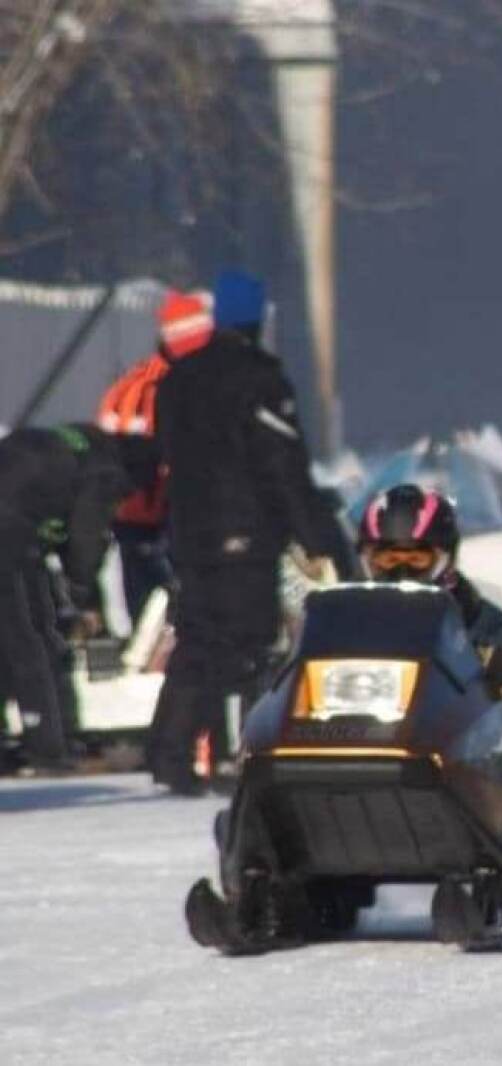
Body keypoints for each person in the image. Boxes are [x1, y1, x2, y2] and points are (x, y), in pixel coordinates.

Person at [147, 269, 336, 795]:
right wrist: (315, 536)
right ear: (255, 320)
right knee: (247, 644)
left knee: (197, 639)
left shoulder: (178, 378)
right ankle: (243, 757)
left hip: (188, 532)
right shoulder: (261, 378)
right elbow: (281, 464)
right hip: (245, 532)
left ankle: (171, 754)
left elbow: (165, 453)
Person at [357, 484, 502, 793]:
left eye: (416, 559)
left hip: (462, 766)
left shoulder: (485, 624)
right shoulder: (352, 616)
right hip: (361, 746)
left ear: (444, 559)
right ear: (368, 561)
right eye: (387, 560)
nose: (401, 571)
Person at [0, 425, 156, 770]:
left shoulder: (75, 442)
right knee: (32, 643)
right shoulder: (104, 471)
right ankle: (48, 749)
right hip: (9, 538)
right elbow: (86, 541)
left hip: (14, 524)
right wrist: (84, 598)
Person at [95, 290, 215, 623]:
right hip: (151, 514)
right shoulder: (162, 388)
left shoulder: (138, 382)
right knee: (158, 607)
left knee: (150, 607)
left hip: (141, 514)